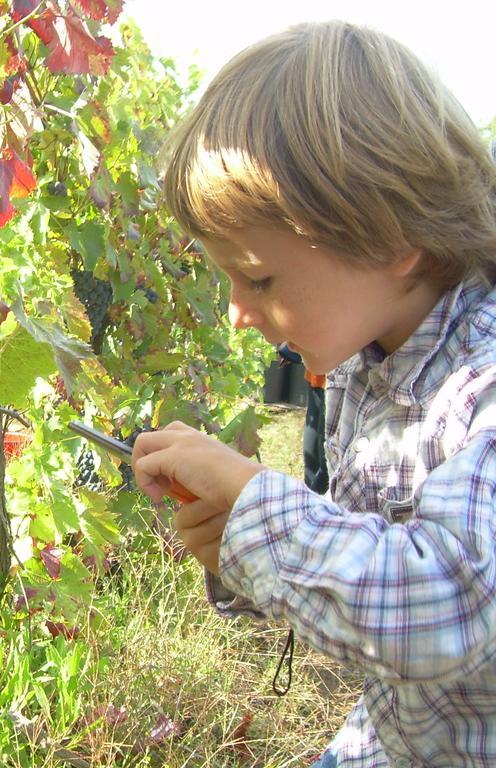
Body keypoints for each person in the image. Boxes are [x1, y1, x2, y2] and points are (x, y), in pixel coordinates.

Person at [132, 21, 496, 767]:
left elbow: (452, 608)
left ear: (393, 239)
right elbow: (364, 556)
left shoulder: (483, 383)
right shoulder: (367, 365)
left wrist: (264, 510)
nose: (236, 311)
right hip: (398, 735)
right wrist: (238, 545)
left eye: (258, 277)